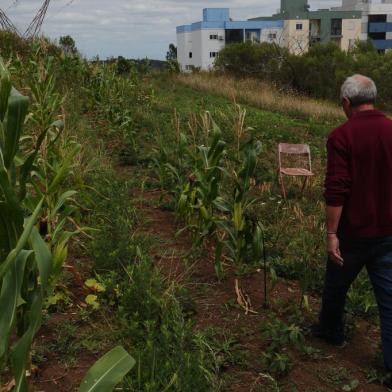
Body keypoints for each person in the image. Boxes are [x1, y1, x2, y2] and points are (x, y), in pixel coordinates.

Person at [313, 74, 392, 389]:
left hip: (353, 235)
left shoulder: (341, 136)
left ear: (346, 103)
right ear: (372, 98)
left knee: (335, 286)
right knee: (389, 300)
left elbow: (337, 189)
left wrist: (332, 234)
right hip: (388, 234)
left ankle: (331, 333)